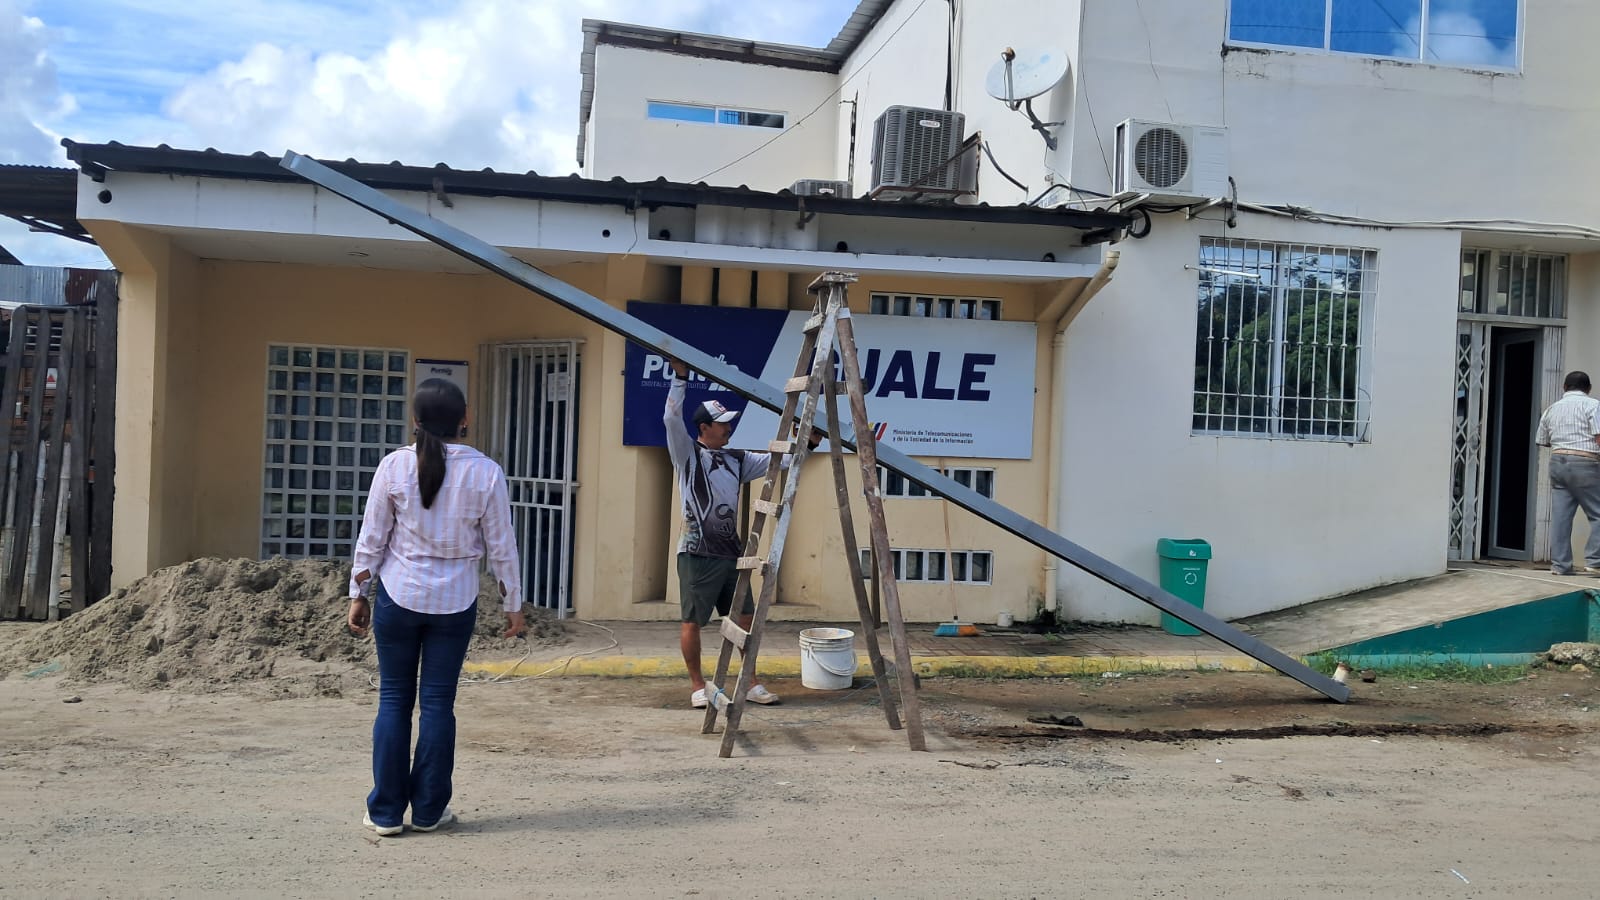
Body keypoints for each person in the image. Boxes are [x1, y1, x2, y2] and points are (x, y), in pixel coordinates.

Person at [347, 378, 524, 836]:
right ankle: (428, 811)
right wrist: (513, 603)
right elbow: (501, 545)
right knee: (438, 705)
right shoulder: (486, 472)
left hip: (398, 596)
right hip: (455, 602)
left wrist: (358, 593)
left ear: (415, 420)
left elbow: (372, 538)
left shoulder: (392, 466)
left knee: (393, 701)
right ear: (465, 419)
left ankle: (386, 813)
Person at [665, 359, 819, 709]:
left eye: (728, 424)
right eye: (721, 425)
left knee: (744, 618)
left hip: (730, 554)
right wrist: (680, 377)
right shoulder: (687, 455)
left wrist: (806, 443)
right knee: (693, 621)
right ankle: (697, 686)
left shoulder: (737, 459)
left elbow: (780, 463)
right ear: (704, 428)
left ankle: (749, 682)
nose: (728, 429)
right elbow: (671, 419)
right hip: (696, 552)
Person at [1535, 370, 1600, 576]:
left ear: (1564, 387)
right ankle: (1595, 561)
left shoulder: (1551, 409)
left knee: (1561, 517)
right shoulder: (1593, 405)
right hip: (1585, 462)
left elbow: (1543, 441)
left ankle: (1560, 565)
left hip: (1557, 462)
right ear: (1588, 388)